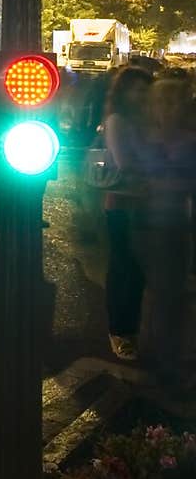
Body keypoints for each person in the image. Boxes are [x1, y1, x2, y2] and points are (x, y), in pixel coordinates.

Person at [141, 76, 196, 387]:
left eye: (179, 101)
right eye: (169, 101)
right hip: (156, 224)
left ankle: (164, 355)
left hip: (176, 222)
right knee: (167, 294)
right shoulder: (153, 139)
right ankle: (167, 363)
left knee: (171, 294)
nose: (174, 107)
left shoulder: (177, 138)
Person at [101, 65, 156, 361]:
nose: (142, 94)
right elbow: (125, 162)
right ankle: (120, 332)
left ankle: (131, 330)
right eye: (137, 89)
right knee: (124, 267)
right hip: (121, 203)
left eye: (146, 89)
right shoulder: (118, 121)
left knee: (138, 270)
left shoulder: (147, 120)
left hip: (146, 203)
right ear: (124, 92)